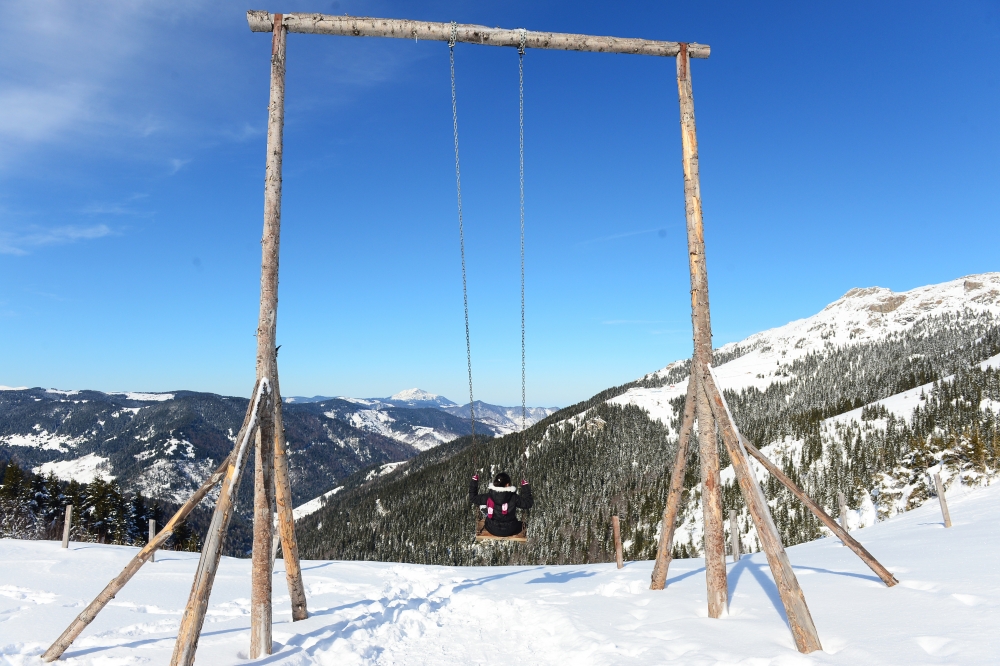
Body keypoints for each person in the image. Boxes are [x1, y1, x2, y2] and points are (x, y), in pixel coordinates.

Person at [469, 471, 533, 537]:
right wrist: (525, 488)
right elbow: (528, 503)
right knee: (521, 524)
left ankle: (486, 511)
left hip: (492, 528)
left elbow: (473, 498)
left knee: (488, 516)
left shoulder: (489, 496)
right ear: (507, 484)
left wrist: (474, 482)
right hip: (510, 529)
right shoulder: (514, 497)